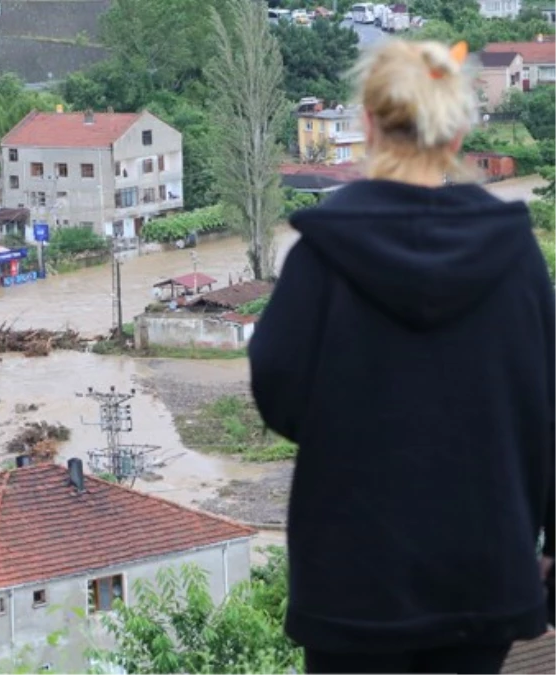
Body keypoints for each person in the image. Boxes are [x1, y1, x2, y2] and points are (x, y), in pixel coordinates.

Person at [249, 39, 553, 674]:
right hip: (483, 570)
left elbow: (277, 390)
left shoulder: (322, 254)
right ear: (461, 129)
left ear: (365, 123)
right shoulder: (517, 257)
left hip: (352, 577)